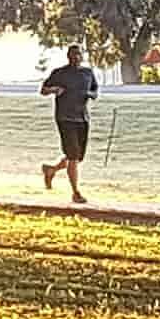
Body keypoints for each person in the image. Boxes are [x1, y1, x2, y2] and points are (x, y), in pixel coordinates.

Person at [40, 45, 98, 204]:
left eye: (79, 54)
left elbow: (95, 90)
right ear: (68, 56)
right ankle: (75, 193)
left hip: (82, 118)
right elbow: (43, 90)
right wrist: (54, 90)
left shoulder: (87, 73)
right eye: (73, 55)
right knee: (73, 156)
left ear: (82, 56)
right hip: (65, 118)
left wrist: (90, 95)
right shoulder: (59, 73)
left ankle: (51, 170)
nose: (76, 57)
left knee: (77, 157)